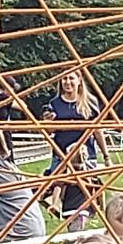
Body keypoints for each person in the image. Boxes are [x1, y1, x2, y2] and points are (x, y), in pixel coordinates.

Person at [43, 70, 101, 222]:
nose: (67, 82)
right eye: (64, 79)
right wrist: (48, 122)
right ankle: (56, 205)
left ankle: (85, 213)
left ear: (79, 81)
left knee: (82, 190)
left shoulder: (90, 102)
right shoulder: (54, 104)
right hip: (61, 152)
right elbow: (50, 131)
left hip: (85, 154)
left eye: (71, 78)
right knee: (56, 183)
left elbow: (97, 130)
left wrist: (107, 156)